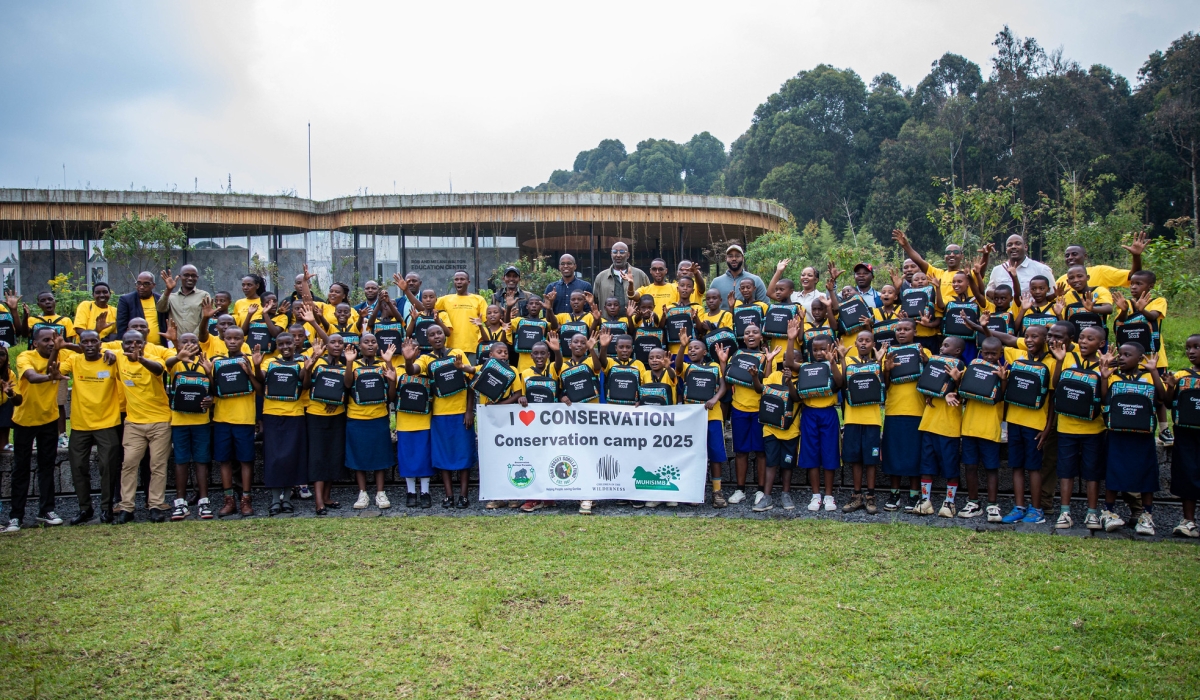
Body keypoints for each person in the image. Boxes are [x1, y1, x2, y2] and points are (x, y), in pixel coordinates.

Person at [405, 324, 476, 509]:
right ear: (427, 339)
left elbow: (470, 382)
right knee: (443, 456)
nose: (436, 336)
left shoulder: (457, 352)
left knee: (464, 455)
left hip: (461, 413)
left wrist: (469, 410)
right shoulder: (425, 359)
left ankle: (463, 496)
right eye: (431, 335)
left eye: (439, 333)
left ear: (444, 335)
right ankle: (449, 496)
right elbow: (412, 370)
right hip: (439, 414)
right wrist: (407, 359)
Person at [58, 331, 122, 526]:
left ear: (100, 342)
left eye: (94, 341)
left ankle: (106, 508)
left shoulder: (112, 358)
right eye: (85, 341)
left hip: (107, 423)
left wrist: (111, 352)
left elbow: (126, 350)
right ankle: (85, 508)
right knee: (78, 467)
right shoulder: (74, 360)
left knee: (108, 467)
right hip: (80, 424)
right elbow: (53, 371)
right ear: (80, 344)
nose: (90, 344)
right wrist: (59, 348)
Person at [1100, 342, 1165, 536]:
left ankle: (1146, 515)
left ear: (1139, 359)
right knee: (1114, 471)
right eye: (1120, 354)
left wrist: (1154, 372)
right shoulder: (1113, 377)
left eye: (1127, 355)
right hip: (1117, 434)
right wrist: (1104, 378)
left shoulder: (1148, 377)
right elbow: (1104, 399)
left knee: (1146, 473)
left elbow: (1162, 399)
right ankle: (1109, 512)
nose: (1121, 357)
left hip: (1142, 435)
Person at [1049, 325, 1107, 530]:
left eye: (1090, 339)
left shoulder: (1104, 363)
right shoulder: (1067, 357)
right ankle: (1065, 512)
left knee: (1092, 472)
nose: (1083, 342)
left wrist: (1106, 375)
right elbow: (1056, 386)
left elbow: (1105, 397)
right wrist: (1058, 361)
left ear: (1101, 344)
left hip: (1093, 428)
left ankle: (1092, 513)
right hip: (1066, 426)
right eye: (1081, 338)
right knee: (1066, 471)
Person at [113, 328, 173, 524]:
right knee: (129, 464)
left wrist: (141, 359)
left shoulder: (153, 359)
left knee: (157, 465)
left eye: (138, 343)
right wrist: (106, 353)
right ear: (122, 345)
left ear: (145, 344)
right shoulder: (118, 358)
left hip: (159, 422)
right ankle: (127, 507)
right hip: (134, 423)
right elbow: (98, 348)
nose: (133, 346)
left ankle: (155, 505)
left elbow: (158, 369)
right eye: (129, 343)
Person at [5, 328, 61, 532]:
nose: (50, 343)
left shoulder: (60, 353)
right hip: (25, 421)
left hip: (49, 419)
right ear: (35, 343)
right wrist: (50, 376)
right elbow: (31, 377)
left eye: (53, 339)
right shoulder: (25, 356)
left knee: (47, 466)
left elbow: (85, 348)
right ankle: (16, 516)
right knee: (21, 468)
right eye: (45, 340)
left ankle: (46, 510)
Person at [210, 326, 261, 518]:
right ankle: (228, 500)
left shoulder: (249, 358)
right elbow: (214, 391)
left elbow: (259, 389)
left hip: (244, 419)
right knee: (224, 460)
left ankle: (246, 500)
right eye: (229, 338)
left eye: (236, 338)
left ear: (243, 340)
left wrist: (250, 371)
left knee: (246, 459)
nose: (232, 341)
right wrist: (208, 373)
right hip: (222, 418)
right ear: (223, 338)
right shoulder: (216, 362)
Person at [913, 336, 966, 517]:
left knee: (950, 466)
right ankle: (925, 500)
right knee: (926, 464)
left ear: (958, 351)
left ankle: (949, 502)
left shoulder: (961, 368)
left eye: (946, 345)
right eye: (942, 345)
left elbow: (965, 395)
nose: (942, 348)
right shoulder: (934, 364)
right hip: (929, 424)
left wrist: (957, 383)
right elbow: (926, 386)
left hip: (949, 427)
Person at [881, 318, 930, 512]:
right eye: (898, 329)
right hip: (894, 409)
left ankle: (914, 494)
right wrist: (887, 370)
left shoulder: (923, 352)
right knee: (893, 452)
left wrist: (925, 362)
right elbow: (885, 385)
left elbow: (931, 378)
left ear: (915, 332)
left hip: (917, 411)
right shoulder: (889, 353)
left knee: (914, 454)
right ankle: (894, 493)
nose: (901, 332)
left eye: (906, 329)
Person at [256, 332, 308, 515]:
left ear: (295, 343)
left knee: (291, 457)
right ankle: (274, 499)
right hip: (272, 414)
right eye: (281, 344)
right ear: (276, 345)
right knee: (273, 457)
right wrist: (255, 365)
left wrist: (310, 364)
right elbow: (261, 378)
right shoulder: (268, 361)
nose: (285, 347)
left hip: (295, 414)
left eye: (289, 343)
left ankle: (287, 499)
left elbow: (304, 381)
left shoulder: (303, 361)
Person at [343, 335, 397, 511]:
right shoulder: (354, 364)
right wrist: (349, 363)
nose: (370, 345)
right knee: (359, 456)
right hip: (357, 418)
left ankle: (380, 493)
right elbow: (347, 385)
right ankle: (362, 492)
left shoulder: (383, 364)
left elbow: (391, 396)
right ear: (360, 346)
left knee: (379, 456)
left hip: (378, 416)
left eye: (373, 342)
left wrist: (390, 370)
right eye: (366, 342)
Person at [164, 334, 214, 520]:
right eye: (185, 341)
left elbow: (213, 390)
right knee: (181, 460)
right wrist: (178, 355)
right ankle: (180, 502)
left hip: (201, 422)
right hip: (179, 421)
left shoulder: (205, 362)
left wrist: (210, 398)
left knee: (201, 460)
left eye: (193, 341)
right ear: (178, 344)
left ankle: (203, 500)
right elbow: (166, 365)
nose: (190, 344)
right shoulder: (174, 362)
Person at [676, 329, 728, 507]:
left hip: (712, 416)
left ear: (705, 352)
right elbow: (677, 368)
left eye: (696, 348)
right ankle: (694, 490)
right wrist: (682, 347)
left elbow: (723, 385)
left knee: (715, 454)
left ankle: (717, 491)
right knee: (693, 454)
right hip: (692, 418)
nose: (692, 350)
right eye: (690, 348)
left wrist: (715, 398)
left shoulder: (714, 367)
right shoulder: (687, 367)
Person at [957, 336, 1008, 521]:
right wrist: (957, 380)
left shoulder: (1002, 371)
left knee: (991, 468)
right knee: (970, 466)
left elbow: (1001, 397)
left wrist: (1003, 380)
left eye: (993, 353)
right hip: (969, 427)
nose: (989, 357)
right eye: (985, 353)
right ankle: (973, 502)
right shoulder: (972, 368)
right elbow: (962, 393)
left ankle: (992, 505)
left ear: (1000, 354)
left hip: (990, 428)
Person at [792, 334, 844, 512]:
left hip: (828, 414)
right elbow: (790, 364)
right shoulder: (806, 367)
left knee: (830, 453)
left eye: (823, 349)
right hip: (809, 414)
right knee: (811, 454)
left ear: (831, 349)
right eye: (815, 349)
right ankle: (816, 495)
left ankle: (829, 495)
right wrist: (791, 339)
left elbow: (840, 383)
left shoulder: (831, 366)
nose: (819, 353)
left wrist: (833, 362)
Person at [725, 324, 771, 505]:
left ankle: (760, 490)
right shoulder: (736, 355)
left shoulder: (766, 356)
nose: (751, 335)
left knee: (761, 452)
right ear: (742, 338)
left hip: (759, 410)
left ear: (761, 336)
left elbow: (766, 383)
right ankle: (740, 489)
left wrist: (768, 361)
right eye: (747, 333)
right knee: (741, 452)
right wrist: (723, 362)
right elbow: (727, 377)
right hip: (739, 408)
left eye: (755, 332)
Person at [841, 330, 885, 514]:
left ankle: (871, 496)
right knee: (855, 459)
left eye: (868, 340)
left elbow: (883, 385)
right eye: (861, 340)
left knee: (871, 460)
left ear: (873, 343)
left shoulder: (876, 362)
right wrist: (841, 359)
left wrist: (880, 362)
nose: (864, 343)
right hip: (852, 419)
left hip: (872, 420)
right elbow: (842, 383)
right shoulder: (849, 362)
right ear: (856, 343)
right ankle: (857, 495)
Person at [24, 290, 75, 449]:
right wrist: (25, 316)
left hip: (58, 367)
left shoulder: (65, 320)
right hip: (37, 366)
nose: (47, 302)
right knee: (34, 402)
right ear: (38, 304)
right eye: (43, 300)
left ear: (55, 302)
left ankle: (61, 435)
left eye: (50, 299)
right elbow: (24, 334)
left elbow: (69, 342)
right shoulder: (33, 320)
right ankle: (33, 436)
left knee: (59, 403)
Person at [752, 348, 800, 512]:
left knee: (787, 463)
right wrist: (754, 377)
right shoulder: (774, 376)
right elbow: (761, 390)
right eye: (786, 358)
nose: (788, 362)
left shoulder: (803, 378)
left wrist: (789, 383)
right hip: (771, 428)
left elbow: (796, 398)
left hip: (791, 430)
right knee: (771, 462)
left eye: (793, 358)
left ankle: (785, 493)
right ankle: (767, 496)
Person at [305, 335, 348, 515]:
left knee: (333, 455)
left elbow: (349, 389)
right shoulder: (317, 362)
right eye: (333, 342)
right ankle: (318, 501)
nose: (337, 345)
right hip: (316, 415)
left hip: (337, 416)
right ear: (326, 345)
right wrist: (310, 365)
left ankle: (327, 496)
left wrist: (337, 400)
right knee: (318, 456)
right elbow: (306, 384)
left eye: (340, 343)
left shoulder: (346, 366)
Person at [1164, 333, 1200, 538]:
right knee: (1187, 475)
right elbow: (1169, 404)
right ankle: (1188, 521)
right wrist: (1170, 386)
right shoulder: (1181, 377)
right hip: (1185, 435)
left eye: (1196, 347)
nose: (1191, 352)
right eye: (1188, 348)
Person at [1055, 233, 1146, 290]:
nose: (1070, 257)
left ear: (1085, 256)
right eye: (1067, 256)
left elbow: (1133, 276)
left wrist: (1136, 256)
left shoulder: (1100, 272)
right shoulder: (1061, 280)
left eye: (1074, 254)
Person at [435, 270, 488, 364]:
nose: (459, 281)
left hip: (472, 347)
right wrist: (406, 291)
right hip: (452, 348)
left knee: (471, 375)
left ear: (468, 282)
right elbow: (425, 307)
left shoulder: (479, 299)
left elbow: (489, 323)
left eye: (462, 279)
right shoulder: (446, 299)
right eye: (456, 279)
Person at [987, 234, 1054, 295]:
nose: (1013, 247)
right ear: (1006, 249)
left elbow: (1052, 295)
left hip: (1032, 308)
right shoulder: (997, 270)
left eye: (1018, 244)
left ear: (1025, 247)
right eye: (1009, 245)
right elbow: (988, 292)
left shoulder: (1042, 269)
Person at [708, 244, 768, 310]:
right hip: (723, 320)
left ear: (742, 258)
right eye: (730, 256)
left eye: (737, 256)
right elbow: (709, 309)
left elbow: (765, 306)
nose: (734, 259)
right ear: (726, 259)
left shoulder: (756, 280)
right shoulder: (716, 282)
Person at [157, 265, 212, 337]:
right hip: (175, 342)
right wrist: (168, 290)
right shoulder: (171, 297)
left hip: (196, 342)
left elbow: (204, 320)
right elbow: (160, 309)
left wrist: (191, 339)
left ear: (197, 278)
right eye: (186, 275)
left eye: (193, 276)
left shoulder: (204, 295)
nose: (190, 278)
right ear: (180, 277)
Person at [592, 242, 650, 309]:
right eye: (615, 252)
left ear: (628, 255)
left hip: (633, 318)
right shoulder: (601, 277)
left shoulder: (640, 275)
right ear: (611, 254)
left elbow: (648, 297)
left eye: (622, 252)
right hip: (607, 319)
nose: (618, 255)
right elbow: (595, 301)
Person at [116, 271, 166, 344]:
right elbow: (121, 327)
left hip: (159, 348)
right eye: (139, 283)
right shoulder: (126, 300)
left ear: (153, 285)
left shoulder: (159, 299)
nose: (141, 287)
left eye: (146, 284)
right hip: (135, 347)